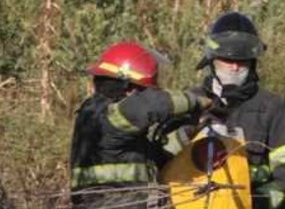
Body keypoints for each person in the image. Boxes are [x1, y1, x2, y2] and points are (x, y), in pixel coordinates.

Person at [188, 11, 285, 209]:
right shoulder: (191, 103)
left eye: (242, 60)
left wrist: (257, 201)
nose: (235, 67)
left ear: (252, 62)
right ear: (212, 59)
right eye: (228, 60)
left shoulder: (271, 108)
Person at [70, 41, 210, 208]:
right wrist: (199, 101)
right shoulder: (108, 115)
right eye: (144, 90)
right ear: (129, 88)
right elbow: (153, 103)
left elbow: (152, 159)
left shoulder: (111, 124)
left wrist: (187, 132)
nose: (147, 93)